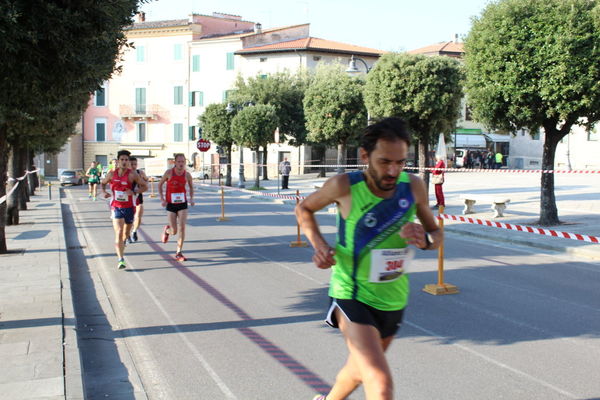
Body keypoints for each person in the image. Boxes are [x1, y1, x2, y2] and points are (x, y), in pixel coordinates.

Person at [295, 117, 442, 400]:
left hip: (393, 299)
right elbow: (304, 209)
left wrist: (425, 239)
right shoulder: (344, 186)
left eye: (401, 162)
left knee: (359, 370)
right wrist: (320, 246)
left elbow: (436, 235)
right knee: (380, 381)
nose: (393, 171)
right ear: (365, 156)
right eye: (385, 162)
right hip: (351, 294)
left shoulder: (412, 187)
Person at [101, 150, 147, 269]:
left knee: (125, 234)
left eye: (126, 160)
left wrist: (134, 191)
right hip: (116, 206)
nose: (124, 162)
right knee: (119, 232)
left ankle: (124, 242)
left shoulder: (133, 174)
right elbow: (103, 183)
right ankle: (120, 259)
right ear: (118, 161)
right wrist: (104, 192)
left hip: (129, 208)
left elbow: (145, 186)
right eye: (122, 159)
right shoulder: (111, 174)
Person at [158, 153, 195, 262]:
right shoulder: (169, 173)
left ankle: (179, 252)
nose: (181, 164)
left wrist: (192, 198)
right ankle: (167, 230)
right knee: (174, 231)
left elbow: (191, 187)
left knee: (182, 227)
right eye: (179, 162)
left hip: (182, 203)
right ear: (175, 162)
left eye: (183, 162)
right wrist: (162, 199)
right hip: (171, 204)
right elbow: (160, 185)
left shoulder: (187, 175)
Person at [128, 157, 149, 243]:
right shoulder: (126, 174)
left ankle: (134, 231)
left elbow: (146, 181)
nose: (133, 166)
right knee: (129, 218)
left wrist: (144, 183)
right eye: (131, 164)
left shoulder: (140, 172)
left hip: (138, 196)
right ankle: (127, 234)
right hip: (128, 198)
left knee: (138, 215)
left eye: (135, 164)